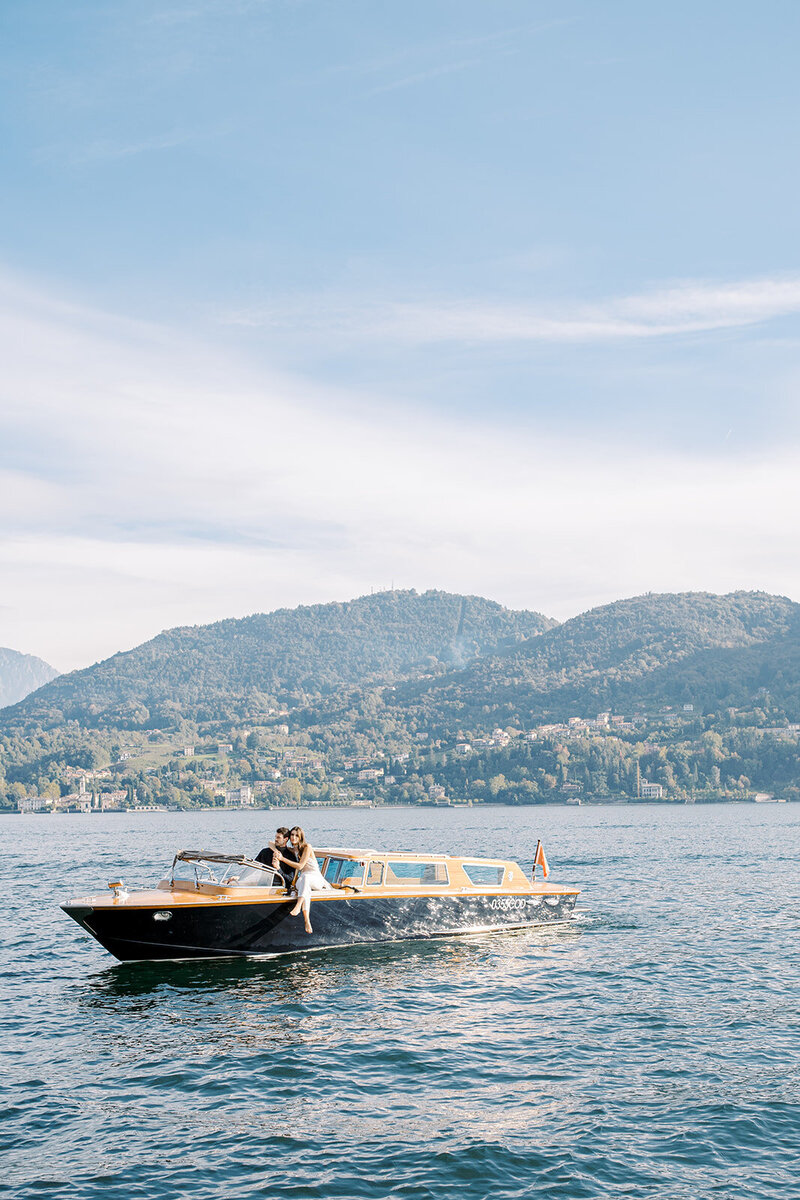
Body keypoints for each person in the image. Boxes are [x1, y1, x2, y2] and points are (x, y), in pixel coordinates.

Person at [271, 826, 331, 934]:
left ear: (301, 837)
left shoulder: (307, 847)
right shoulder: (293, 850)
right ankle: (307, 921)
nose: (294, 837)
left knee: (305, 878)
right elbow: (270, 843)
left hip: (316, 878)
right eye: (292, 835)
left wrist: (282, 858)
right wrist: (277, 851)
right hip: (304, 880)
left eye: (296, 835)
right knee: (304, 881)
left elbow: (300, 866)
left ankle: (298, 906)